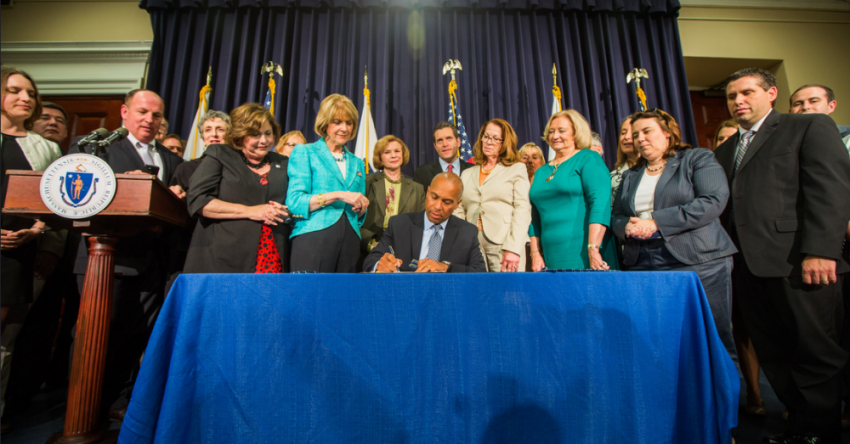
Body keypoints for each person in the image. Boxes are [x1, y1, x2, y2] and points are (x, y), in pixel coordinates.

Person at [714, 68, 850, 444]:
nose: (738, 101)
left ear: (771, 93)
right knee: (775, 355)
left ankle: (821, 433)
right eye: (731, 96)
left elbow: (830, 192)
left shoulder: (807, 127)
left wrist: (821, 251)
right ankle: (798, 429)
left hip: (801, 264)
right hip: (747, 270)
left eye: (747, 92)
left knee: (815, 354)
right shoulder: (724, 150)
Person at [68, 88, 184, 422]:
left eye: (156, 115)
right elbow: (79, 192)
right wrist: (122, 184)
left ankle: (118, 402)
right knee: (97, 336)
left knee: (136, 337)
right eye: (142, 112)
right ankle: (81, 410)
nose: (149, 120)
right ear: (124, 112)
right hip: (106, 258)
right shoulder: (94, 148)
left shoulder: (172, 159)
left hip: (154, 263)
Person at [611, 108, 738, 363]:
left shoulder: (697, 158)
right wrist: (624, 227)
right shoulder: (630, 174)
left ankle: (722, 401)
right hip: (643, 263)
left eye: (647, 131)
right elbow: (617, 214)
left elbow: (712, 201)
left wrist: (656, 222)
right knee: (657, 339)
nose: (640, 139)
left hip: (699, 261)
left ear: (668, 134)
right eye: (636, 134)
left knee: (711, 336)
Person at [0, 67, 64, 427]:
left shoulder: (46, 149)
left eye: (30, 93)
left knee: (5, 343)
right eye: (14, 90)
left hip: (17, 254)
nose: (25, 98)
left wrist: (38, 230)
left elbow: (56, 205)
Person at [184, 103, 290, 273]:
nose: (263, 140)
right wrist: (250, 211)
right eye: (255, 134)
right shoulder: (220, 154)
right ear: (240, 135)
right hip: (223, 257)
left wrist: (287, 212)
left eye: (268, 133)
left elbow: (295, 202)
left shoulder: (283, 162)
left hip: (272, 257)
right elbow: (198, 200)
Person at [286, 94, 369, 273]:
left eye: (349, 123)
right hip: (313, 236)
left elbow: (359, 213)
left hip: (350, 242)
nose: (344, 128)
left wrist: (362, 206)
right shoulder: (305, 152)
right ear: (325, 124)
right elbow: (295, 202)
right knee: (309, 298)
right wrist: (338, 195)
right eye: (337, 121)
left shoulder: (357, 162)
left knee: (343, 299)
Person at [529, 110, 617, 271]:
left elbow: (600, 203)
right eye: (551, 131)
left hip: (585, 251)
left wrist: (593, 248)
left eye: (562, 131)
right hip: (551, 255)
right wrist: (535, 253)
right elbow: (535, 217)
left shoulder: (588, 158)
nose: (555, 136)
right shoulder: (541, 171)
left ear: (577, 132)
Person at [363, 172, 486, 273]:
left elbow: (480, 272)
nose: (437, 206)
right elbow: (370, 261)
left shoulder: (467, 232)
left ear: (457, 204)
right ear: (427, 192)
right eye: (434, 197)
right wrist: (379, 264)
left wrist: (446, 267)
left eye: (447, 202)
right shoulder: (399, 224)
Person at [454, 119, 531, 272]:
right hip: (473, 245)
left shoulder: (517, 169)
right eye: (486, 136)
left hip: (504, 244)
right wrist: (462, 242)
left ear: (505, 143)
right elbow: (459, 209)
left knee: (507, 293)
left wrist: (514, 248)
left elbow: (522, 209)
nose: (489, 142)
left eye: (496, 138)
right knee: (479, 293)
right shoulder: (467, 173)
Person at [360, 135, 425, 256]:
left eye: (397, 151)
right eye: (387, 152)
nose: (393, 155)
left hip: (404, 251)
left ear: (403, 154)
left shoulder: (417, 188)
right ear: (379, 157)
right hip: (369, 251)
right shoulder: (366, 183)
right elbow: (354, 219)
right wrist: (371, 244)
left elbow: (421, 224)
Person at [171, 110, 231, 192]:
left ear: (230, 135)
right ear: (203, 138)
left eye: (220, 129)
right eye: (208, 130)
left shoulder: (238, 169)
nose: (214, 134)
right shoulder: (184, 169)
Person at [413, 122, 473, 187]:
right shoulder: (422, 173)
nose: (445, 144)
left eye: (449, 138)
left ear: (458, 142)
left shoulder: (472, 170)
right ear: (435, 146)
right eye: (440, 140)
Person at [610, 115, 639, 203]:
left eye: (632, 133)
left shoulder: (660, 169)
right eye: (623, 133)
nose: (626, 137)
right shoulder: (613, 177)